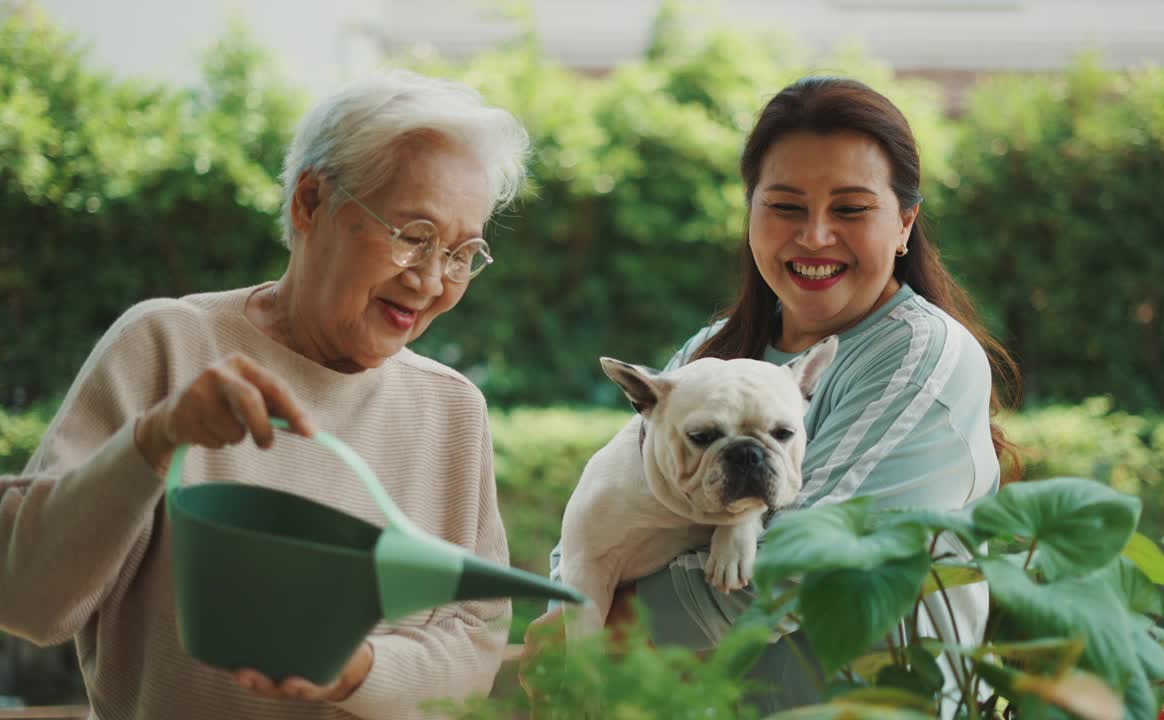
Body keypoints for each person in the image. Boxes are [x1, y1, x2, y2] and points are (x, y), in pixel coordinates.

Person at [0, 70, 529, 719]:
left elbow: (473, 640)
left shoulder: (452, 409)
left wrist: (356, 672)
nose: (431, 281)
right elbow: (26, 600)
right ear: (310, 203)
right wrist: (154, 440)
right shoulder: (167, 345)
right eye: (414, 236)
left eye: (460, 253)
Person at [531, 76, 1021, 714]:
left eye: (850, 209)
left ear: (905, 223)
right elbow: (602, 511)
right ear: (752, 213)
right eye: (787, 206)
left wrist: (587, 635)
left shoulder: (918, 355)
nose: (815, 236)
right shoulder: (711, 352)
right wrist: (570, 605)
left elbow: (800, 569)